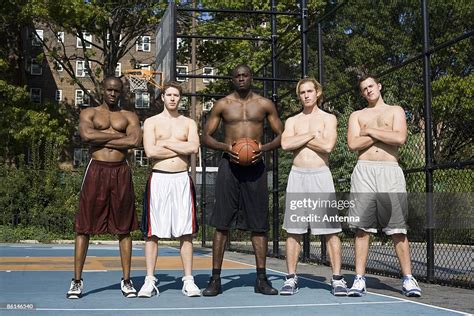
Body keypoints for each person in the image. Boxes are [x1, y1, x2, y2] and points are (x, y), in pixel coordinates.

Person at [201, 64, 284, 296]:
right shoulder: (223, 104)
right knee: (222, 223)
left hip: (256, 167)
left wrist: (263, 148)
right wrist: (225, 146)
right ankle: (215, 279)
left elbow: (282, 134)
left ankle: (261, 278)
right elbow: (205, 136)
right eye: (237, 76)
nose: (241, 79)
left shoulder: (265, 104)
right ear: (232, 79)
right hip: (229, 165)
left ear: (251, 77)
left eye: (245, 75)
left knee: (259, 225)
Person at [346, 74, 421, 297]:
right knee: (362, 228)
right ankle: (359, 279)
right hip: (364, 171)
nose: (368, 90)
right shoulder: (357, 115)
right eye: (364, 89)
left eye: (371, 86)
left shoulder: (395, 110)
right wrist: (383, 135)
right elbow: (352, 144)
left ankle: (408, 279)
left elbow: (399, 138)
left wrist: (368, 131)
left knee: (397, 228)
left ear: (379, 86)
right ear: (362, 93)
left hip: (390, 171)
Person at [67, 76, 141, 299]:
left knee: (124, 228)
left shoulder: (129, 115)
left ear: (121, 92)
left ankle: (127, 281)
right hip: (96, 169)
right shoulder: (88, 113)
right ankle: (77, 281)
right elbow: (86, 135)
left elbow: (134, 141)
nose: (112, 93)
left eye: (116, 91)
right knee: (84, 227)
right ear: (102, 90)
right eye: (109, 89)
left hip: (121, 170)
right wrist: (116, 136)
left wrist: (102, 139)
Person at [280, 78, 347, 296]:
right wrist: (310, 135)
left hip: (320, 176)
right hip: (297, 176)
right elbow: (285, 144)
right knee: (294, 230)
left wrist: (299, 139)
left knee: (330, 231)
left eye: (310, 91)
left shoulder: (329, 118)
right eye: (302, 92)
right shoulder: (292, 121)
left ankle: (337, 279)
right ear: (299, 95)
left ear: (318, 92)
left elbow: (328, 146)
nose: (306, 95)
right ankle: (290, 278)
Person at [138, 82, 201, 298]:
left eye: (176, 95)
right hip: (159, 180)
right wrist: (178, 147)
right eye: (169, 94)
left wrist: (166, 145)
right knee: (152, 233)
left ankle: (189, 280)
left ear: (180, 98)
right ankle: (149, 280)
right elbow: (149, 151)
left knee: (186, 232)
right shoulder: (151, 122)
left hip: (182, 180)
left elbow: (193, 148)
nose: (173, 98)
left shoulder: (189, 123)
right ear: (162, 97)